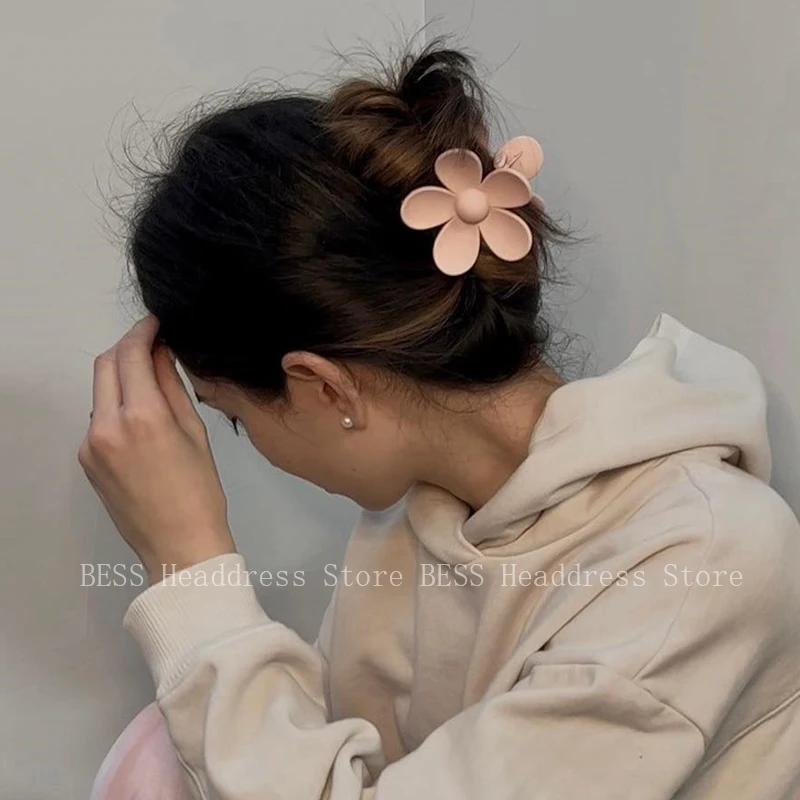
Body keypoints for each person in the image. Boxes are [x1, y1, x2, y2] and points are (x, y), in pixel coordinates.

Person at [79, 41, 800, 799]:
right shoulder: (417, 520)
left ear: (324, 387)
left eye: (233, 417)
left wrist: (188, 565)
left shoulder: (696, 565)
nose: (252, 446)